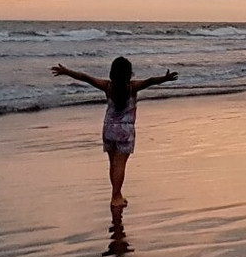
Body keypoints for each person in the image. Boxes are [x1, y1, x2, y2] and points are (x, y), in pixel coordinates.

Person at [51, 57, 177, 208]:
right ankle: (116, 196)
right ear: (129, 73)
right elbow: (150, 81)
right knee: (120, 165)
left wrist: (66, 71)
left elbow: (85, 78)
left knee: (112, 164)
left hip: (109, 129)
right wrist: (165, 78)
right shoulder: (132, 87)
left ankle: (116, 194)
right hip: (125, 130)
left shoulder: (107, 86)